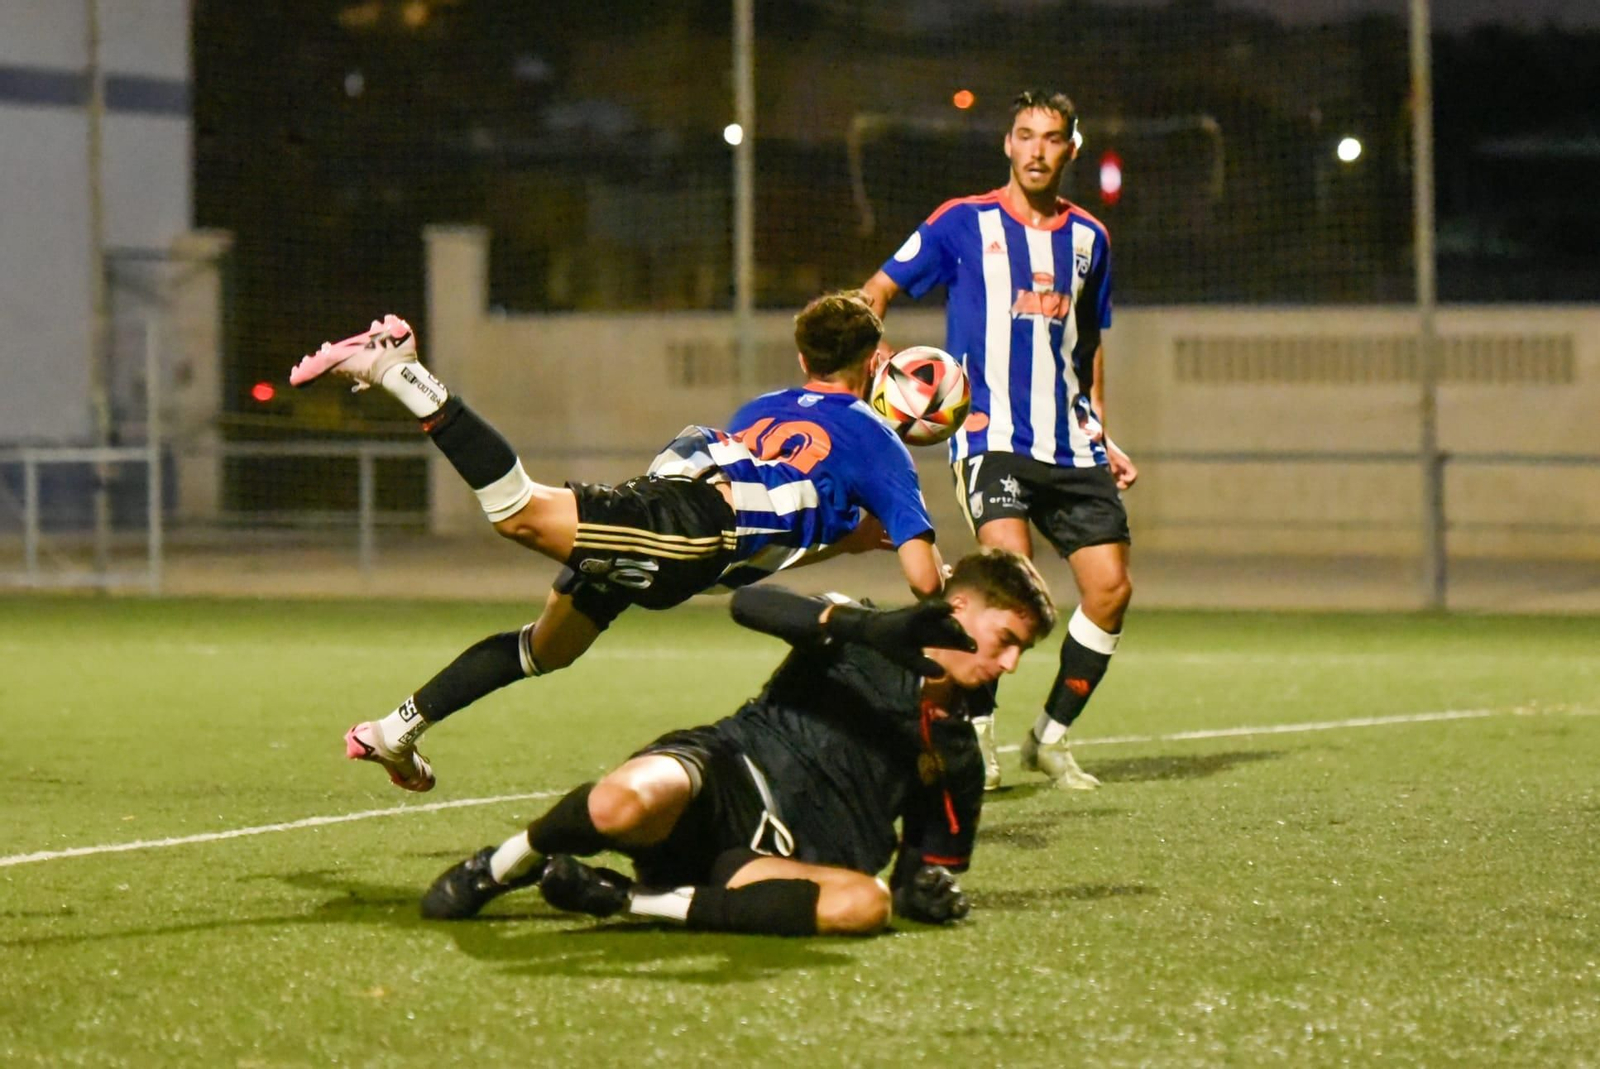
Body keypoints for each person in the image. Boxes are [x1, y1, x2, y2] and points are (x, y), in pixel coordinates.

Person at [288, 292, 945, 792]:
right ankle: (403, 370)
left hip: (680, 521)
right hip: (687, 531)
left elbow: (768, 526)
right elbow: (922, 579)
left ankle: (393, 733)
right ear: (877, 361)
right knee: (517, 510)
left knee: (545, 648)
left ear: (804, 360)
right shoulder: (879, 439)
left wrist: (846, 540)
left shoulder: (763, 409)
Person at [419, 547, 1055, 936]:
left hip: (771, 868)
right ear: (960, 606)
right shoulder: (859, 630)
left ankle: (628, 901)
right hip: (724, 778)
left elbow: (920, 877)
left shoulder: (960, 757)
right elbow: (750, 603)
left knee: (866, 905)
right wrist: (861, 625)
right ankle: (503, 865)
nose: (1010, 665)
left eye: (1021, 651)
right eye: (1007, 641)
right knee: (618, 805)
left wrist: (932, 893)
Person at [860, 88, 1136, 792]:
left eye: (1051, 138)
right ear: (1006, 145)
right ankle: (973, 729)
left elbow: (1090, 341)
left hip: (1069, 441)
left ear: (1070, 151)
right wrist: (885, 367)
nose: (1037, 150)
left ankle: (1050, 738)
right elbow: (876, 292)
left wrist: (1101, 429)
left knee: (1109, 590)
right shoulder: (962, 222)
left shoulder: (1089, 240)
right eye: (1024, 135)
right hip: (991, 435)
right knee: (1009, 574)